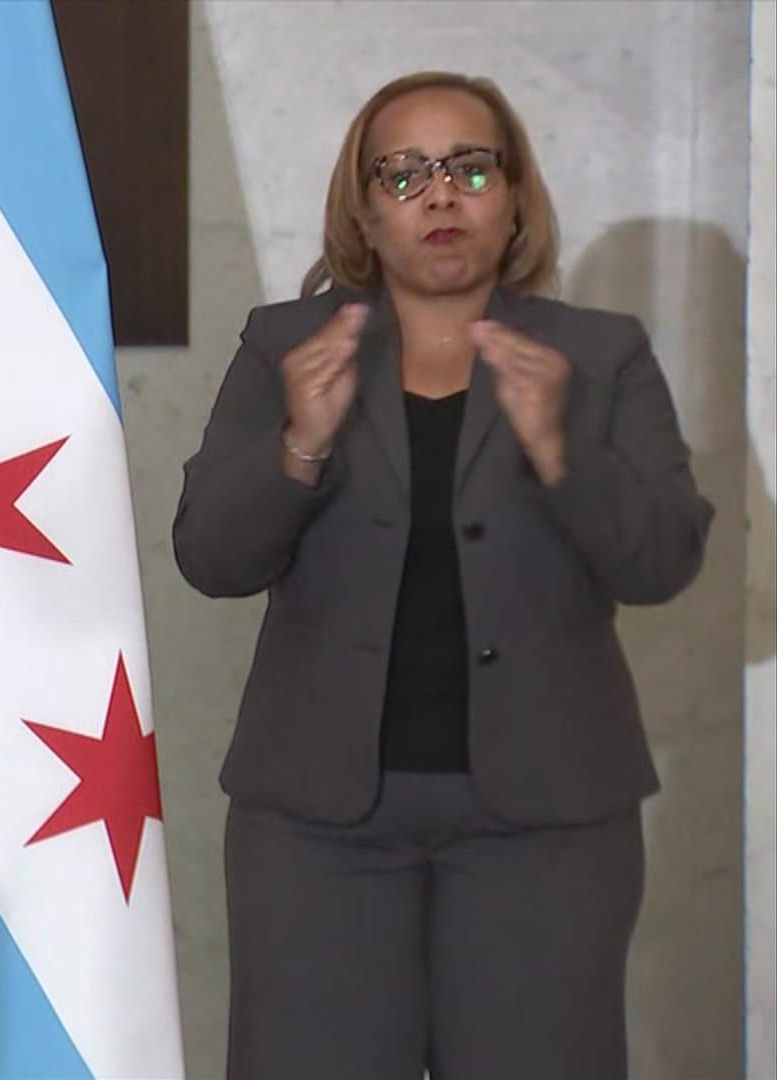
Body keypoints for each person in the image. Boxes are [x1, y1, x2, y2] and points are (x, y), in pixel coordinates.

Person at [173, 71, 712, 1078]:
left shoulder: (602, 356)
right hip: (319, 828)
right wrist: (299, 443)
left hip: (546, 826)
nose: (440, 195)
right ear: (365, 211)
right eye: (404, 172)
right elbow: (210, 555)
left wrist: (561, 450)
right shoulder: (284, 347)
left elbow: (662, 558)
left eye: (470, 167)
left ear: (512, 202)